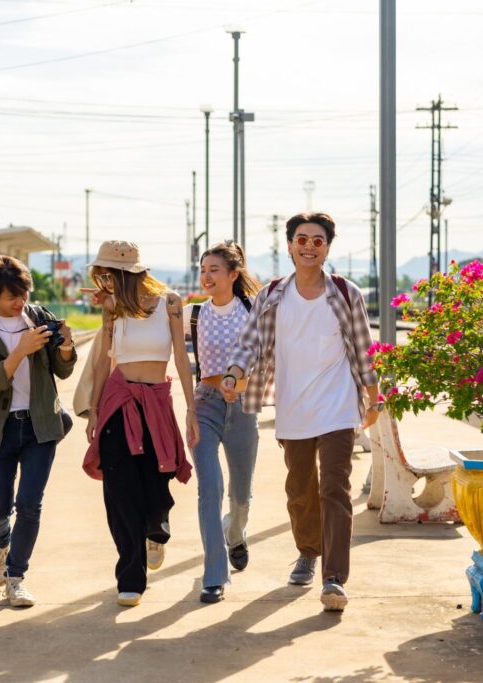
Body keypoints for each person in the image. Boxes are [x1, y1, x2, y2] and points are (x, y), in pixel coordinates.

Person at [221, 212, 381, 613]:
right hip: (294, 407)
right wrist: (235, 373)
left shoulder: (346, 293)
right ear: (290, 245)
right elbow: (249, 344)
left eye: (318, 241)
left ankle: (333, 577)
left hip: (338, 406)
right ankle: (307, 551)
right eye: (302, 239)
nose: (309, 246)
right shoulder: (272, 294)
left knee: (335, 488)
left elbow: (363, 348)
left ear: (328, 247)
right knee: (300, 489)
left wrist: (373, 395)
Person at [0, 255, 77, 608]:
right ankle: (0, 541)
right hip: (0, 429)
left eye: (23, 294)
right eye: (12, 297)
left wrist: (66, 347)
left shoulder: (38, 317)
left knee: (29, 505)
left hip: (40, 425)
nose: (19, 302)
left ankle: (16, 577)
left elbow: (63, 370)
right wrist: (20, 351)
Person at [82, 240, 198, 608]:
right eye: (100, 276)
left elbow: (181, 357)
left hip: (157, 401)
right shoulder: (112, 308)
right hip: (119, 400)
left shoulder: (171, 303)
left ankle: (156, 529)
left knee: (156, 483)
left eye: (108, 275)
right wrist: (95, 409)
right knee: (119, 491)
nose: (104, 282)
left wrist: (191, 410)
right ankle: (130, 578)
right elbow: (104, 361)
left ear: (127, 273)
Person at [183, 241, 262, 604]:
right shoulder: (194, 314)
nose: (207, 276)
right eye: (203, 270)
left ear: (233, 274)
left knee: (240, 494)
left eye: (214, 269)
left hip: (243, 406)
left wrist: (242, 383)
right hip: (206, 405)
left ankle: (236, 531)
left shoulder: (252, 309)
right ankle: (214, 574)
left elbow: (268, 354)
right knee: (209, 488)